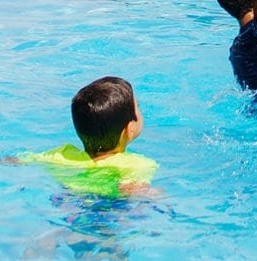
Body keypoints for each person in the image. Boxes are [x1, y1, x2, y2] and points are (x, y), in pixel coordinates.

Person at [16, 76, 157, 198]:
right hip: (106, 207)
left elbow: (19, 160)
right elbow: (135, 192)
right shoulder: (136, 164)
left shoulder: (62, 154)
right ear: (129, 129)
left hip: (67, 198)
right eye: (138, 107)